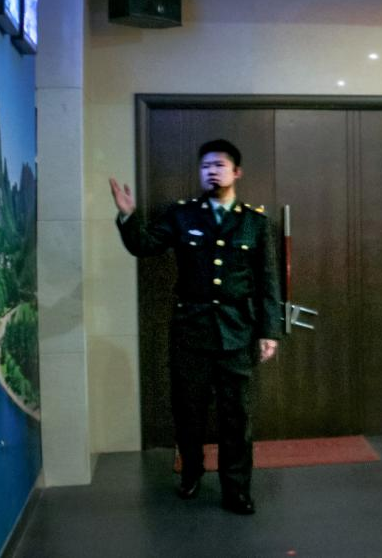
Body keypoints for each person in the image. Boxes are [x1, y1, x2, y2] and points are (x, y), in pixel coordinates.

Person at [109, 139, 282, 516]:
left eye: (219, 165)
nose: (211, 171)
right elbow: (145, 246)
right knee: (189, 412)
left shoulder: (255, 222)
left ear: (236, 172)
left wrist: (269, 331)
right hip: (190, 332)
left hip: (237, 332)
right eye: (205, 166)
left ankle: (236, 489)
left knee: (236, 416)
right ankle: (190, 472)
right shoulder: (182, 215)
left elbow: (269, 281)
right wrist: (128, 216)